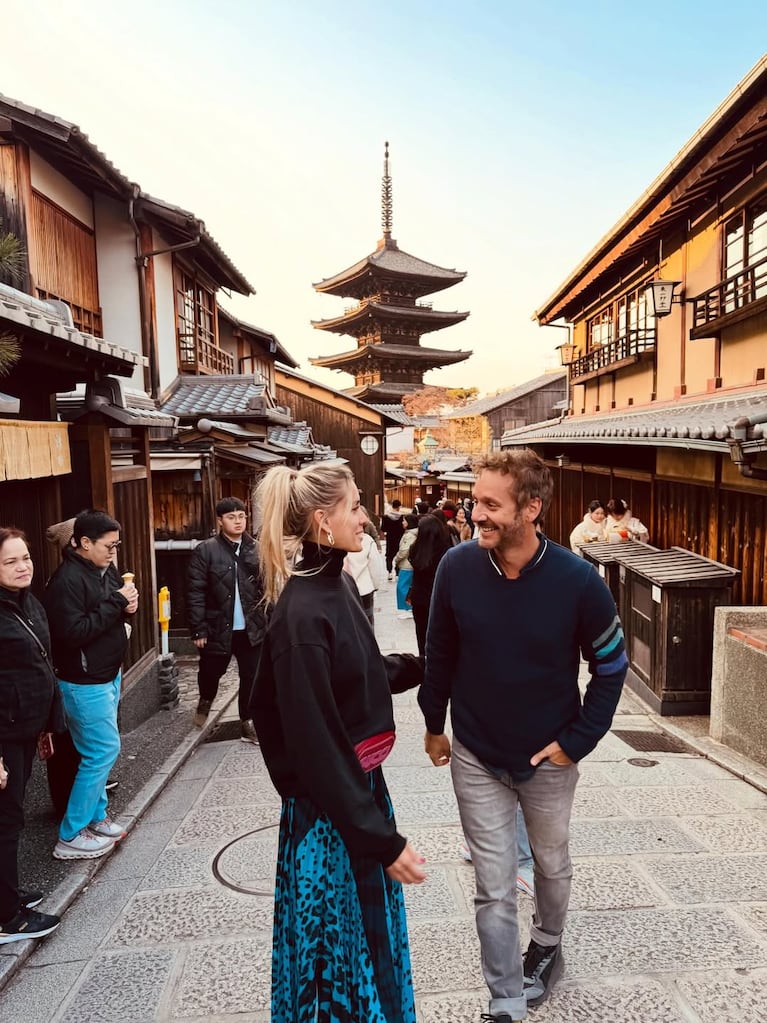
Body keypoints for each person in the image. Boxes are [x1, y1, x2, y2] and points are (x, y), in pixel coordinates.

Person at [418, 449, 628, 1021]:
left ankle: (549, 942)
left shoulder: (579, 581)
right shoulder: (457, 568)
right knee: (493, 883)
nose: (475, 512)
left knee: (552, 863)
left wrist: (577, 740)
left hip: (550, 756)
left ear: (531, 508)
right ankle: (506, 998)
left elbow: (611, 665)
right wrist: (434, 724)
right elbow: (440, 653)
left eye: (490, 504)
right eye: (475, 500)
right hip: (476, 751)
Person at [251, 463, 425, 1023]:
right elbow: (314, 743)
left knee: (360, 958)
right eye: (354, 506)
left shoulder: (339, 586)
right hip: (331, 813)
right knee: (334, 966)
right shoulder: (301, 614)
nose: (365, 517)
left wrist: (429, 667)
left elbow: (363, 671)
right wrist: (381, 839)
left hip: (357, 793)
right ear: (323, 522)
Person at [43, 509, 138, 860]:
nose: (113, 552)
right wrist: (116, 603)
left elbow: (111, 613)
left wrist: (128, 608)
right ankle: (70, 833)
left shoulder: (104, 570)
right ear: (83, 543)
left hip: (106, 671)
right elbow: (71, 634)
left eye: (116, 545)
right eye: (108, 545)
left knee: (96, 752)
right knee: (102, 751)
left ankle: (96, 818)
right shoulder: (67, 580)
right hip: (83, 680)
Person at [0, 528, 62, 944]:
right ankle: (7, 918)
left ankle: (8, 895)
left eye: (26, 558)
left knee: (11, 817)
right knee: (5, 821)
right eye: (10, 561)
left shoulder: (27, 602)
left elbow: (41, 662)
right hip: (3, 736)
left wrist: (46, 724)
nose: (23, 567)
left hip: (24, 727)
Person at [187, 497, 266, 742]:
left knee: (251, 677)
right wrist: (198, 629)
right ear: (220, 521)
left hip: (252, 628)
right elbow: (195, 591)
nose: (238, 521)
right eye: (231, 517)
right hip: (217, 627)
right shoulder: (206, 550)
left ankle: (248, 721)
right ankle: (206, 698)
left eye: (241, 516)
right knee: (212, 671)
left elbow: (267, 590)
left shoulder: (257, 547)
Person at [408, 514, 452, 656]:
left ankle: (423, 661)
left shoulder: (415, 550)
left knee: (422, 634)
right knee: (441, 637)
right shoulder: (446, 552)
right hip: (440, 600)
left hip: (420, 600)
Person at [343, 527, 385, 627]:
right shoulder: (366, 540)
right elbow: (375, 566)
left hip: (342, 589)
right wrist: (375, 585)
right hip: (364, 588)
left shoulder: (334, 538)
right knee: (367, 624)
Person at [393, 513, 418, 618]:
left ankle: (408, 609)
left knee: (402, 587)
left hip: (406, 565)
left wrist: (397, 558)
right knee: (406, 586)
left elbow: (404, 550)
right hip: (409, 564)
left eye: (404, 521)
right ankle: (408, 608)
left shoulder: (409, 535)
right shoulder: (413, 533)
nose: (403, 523)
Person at [380, 499, 404, 579]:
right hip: (399, 539)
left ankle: (389, 572)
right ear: (398, 507)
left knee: (389, 556)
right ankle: (397, 572)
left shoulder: (386, 517)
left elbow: (383, 529)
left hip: (390, 539)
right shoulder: (402, 517)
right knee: (398, 555)